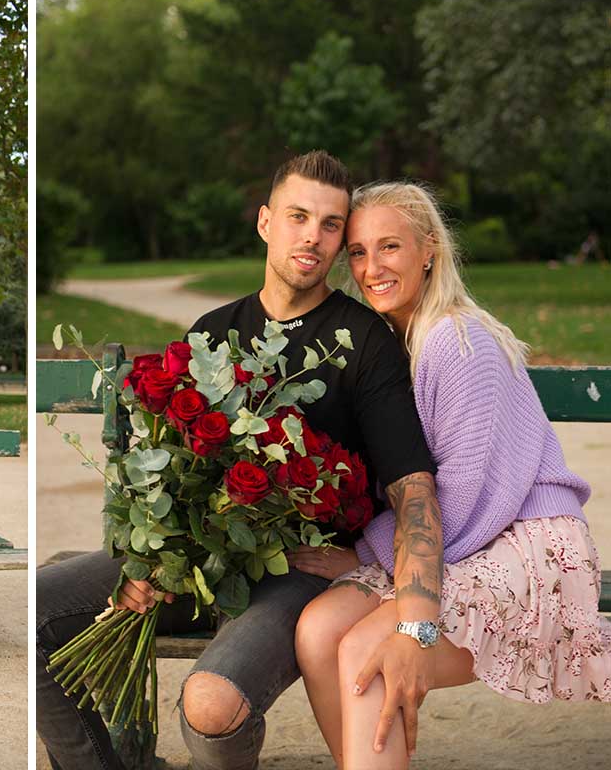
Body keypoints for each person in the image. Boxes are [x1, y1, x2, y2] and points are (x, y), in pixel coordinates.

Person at [36, 151, 442, 770]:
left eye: (331, 225)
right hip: (193, 559)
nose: (312, 236)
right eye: (298, 216)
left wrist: (404, 605)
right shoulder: (212, 332)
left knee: (210, 704)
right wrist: (149, 559)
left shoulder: (364, 344)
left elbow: (412, 488)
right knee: (32, 610)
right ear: (264, 223)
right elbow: (165, 471)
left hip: (295, 572)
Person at [293, 182, 609, 769]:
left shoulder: (456, 342)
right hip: (462, 541)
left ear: (430, 249)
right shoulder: (396, 339)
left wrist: (363, 552)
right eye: (358, 253)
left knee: (369, 649)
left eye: (390, 247)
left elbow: (465, 500)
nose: (371, 268)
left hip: (525, 539)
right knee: (317, 630)